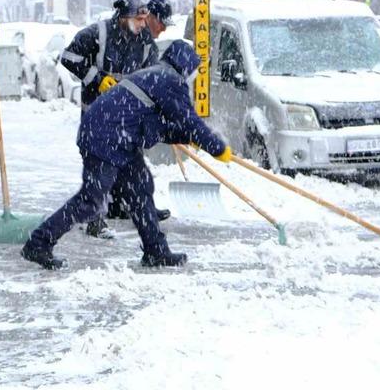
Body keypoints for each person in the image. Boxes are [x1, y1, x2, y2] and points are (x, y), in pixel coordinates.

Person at [22, 40, 231, 270]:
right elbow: (189, 121)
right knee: (91, 201)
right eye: (193, 69)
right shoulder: (170, 81)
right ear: (186, 64)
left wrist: (188, 136)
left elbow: (157, 125)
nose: (193, 75)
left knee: (141, 189)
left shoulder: (156, 75)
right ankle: (38, 243)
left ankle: (155, 251)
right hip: (106, 139)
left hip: (116, 136)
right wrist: (217, 147)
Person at [59, 0, 164, 239]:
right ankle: (94, 219)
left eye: (144, 19)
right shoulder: (98, 34)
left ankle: (124, 208)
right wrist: (97, 79)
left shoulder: (146, 41)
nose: (142, 24)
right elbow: (69, 57)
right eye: (138, 19)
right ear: (123, 17)